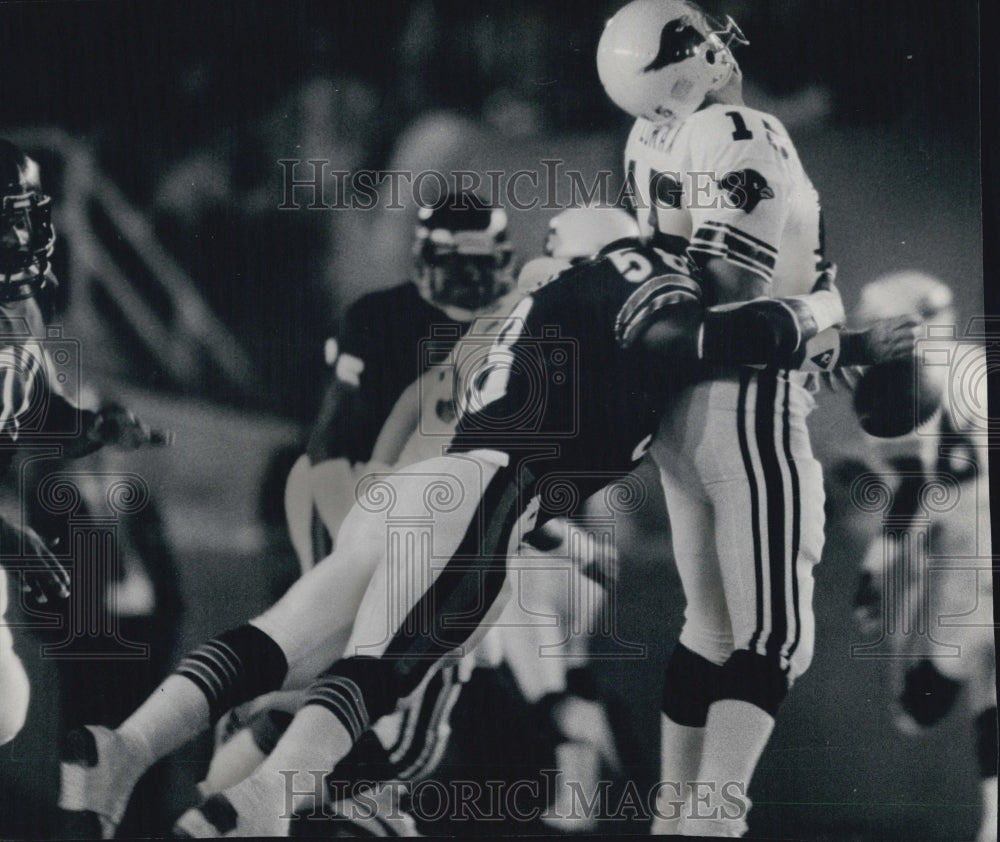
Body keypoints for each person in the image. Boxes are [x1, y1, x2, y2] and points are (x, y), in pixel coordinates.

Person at [595, 1, 854, 834]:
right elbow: (734, 298)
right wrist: (826, 317)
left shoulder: (648, 138)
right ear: (685, 65)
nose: (722, 48)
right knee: (777, 635)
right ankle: (714, 821)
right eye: (703, 42)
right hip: (745, 396)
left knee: (708, 627)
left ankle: (675, 819)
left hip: (678, 414)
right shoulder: (741, 130)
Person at [0, 139, 158, 747]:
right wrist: (9, 536)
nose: (27, 230)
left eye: (26, 212)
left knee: (6, 706)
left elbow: (33, 411)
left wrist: (91, 427)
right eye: (9, 215)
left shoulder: (20, 309)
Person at [283, 190, 518, 573]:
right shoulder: (378, 318)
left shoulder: (519, 323)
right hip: (370, 488)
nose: (473, 276)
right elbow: (330, 441)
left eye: (482, 263)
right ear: (428, 260)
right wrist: (357, 542)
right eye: (459, 264)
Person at [849, 272, 996, 842]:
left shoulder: (901, 387)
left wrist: (874, 570)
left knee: (922, 706)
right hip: (974, 537)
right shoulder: (978, 364)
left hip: (967, 545)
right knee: (987, 685)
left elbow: (914, 490)